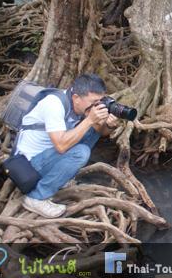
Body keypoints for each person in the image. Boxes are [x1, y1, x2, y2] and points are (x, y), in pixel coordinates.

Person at [16, 74, 119, 218]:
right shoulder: (54, 104)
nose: (98, 105)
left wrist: (109, 125)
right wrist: (90, 120)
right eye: (94, 101)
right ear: (76, 98)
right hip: (29, 165)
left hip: (48, 156)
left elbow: (101, 133)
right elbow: (61, 146)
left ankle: (59, 177)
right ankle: (36, 198)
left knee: (93, 129)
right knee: (81, 152)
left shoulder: (80, 106)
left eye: (100, 101)